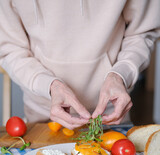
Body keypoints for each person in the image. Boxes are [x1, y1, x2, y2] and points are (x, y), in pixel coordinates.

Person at [0, 0, 159, 129]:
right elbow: (9, 48)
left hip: (111, 115)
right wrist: (49, 85)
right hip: (43, 114)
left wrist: (120, 75)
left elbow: (143, 32)